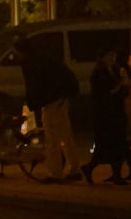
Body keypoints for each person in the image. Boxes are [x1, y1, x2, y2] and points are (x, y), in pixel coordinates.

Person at [14, 35, 81, 182]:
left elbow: (34, 85)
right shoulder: (43, 57)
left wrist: (32, 104)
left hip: (51, 101)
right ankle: (75, 168)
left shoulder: (30, 62)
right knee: (66, 135)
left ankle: (54, 173)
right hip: (62, 98)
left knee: (52, 139)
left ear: (21, 51)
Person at [87, 49, 131, 185]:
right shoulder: (99, 73)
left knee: (118, 144)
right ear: (102, 58)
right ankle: (95, 169)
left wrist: (125, 88)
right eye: (110, 56)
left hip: (116, 112)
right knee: (111, 145)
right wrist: (116, 90)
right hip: (106, 115)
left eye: (114, 55)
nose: (113, 58)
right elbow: (100, 94)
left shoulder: (114, 70)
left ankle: (116, 174)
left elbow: (117, 91)